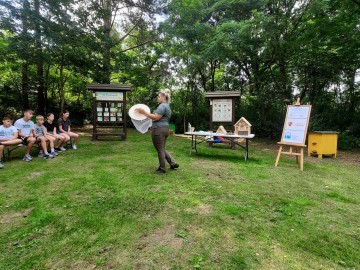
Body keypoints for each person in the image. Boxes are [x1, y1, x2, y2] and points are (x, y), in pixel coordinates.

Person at [136, 90, 179, 173]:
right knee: (161, 148)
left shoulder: (162, 106)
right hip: (165, 128)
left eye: (159, 97)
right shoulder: (167, 106)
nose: (158, 98)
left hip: (159, 130)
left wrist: (144, 112)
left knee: (160, 149)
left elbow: (156, 117)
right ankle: (173, 163)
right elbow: (157, 117)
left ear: (163, 97)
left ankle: (162, 168)